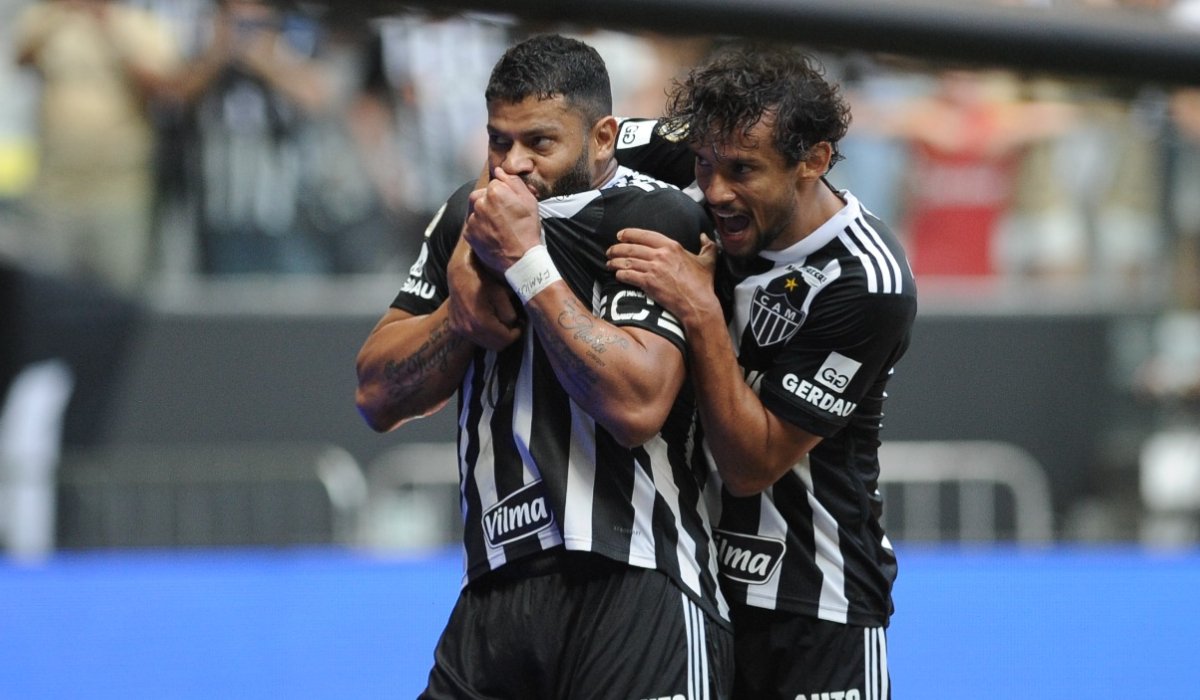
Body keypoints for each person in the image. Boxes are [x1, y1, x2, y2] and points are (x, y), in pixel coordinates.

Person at [355, 34, 732, 699]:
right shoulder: (464, 224)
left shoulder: (655, 216)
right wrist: (458, 317)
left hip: (636, 582)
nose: (513, 165)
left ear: (603, 137)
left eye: (540, 142)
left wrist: (526, 266)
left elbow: (636, 405)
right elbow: (376, 394)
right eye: (499, 142)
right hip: (495, 593)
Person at [606, 45, 918, 699]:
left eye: (744, 171)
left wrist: (699, 310)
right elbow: (576, 144)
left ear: (814, 161)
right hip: (695, 593)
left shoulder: (866, 279)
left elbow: (754, 462)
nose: (715, 190)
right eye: (704, 166)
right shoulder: (709, 149)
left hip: (817, 605)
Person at [13, 0, 180, 294]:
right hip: (55, 188)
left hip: (119, 190)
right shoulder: (50, 14)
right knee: (47, 298)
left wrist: (108, 26)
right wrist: (59, 15)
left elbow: (163, 87)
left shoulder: (137, 22)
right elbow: (21, 58)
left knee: (119, 296)